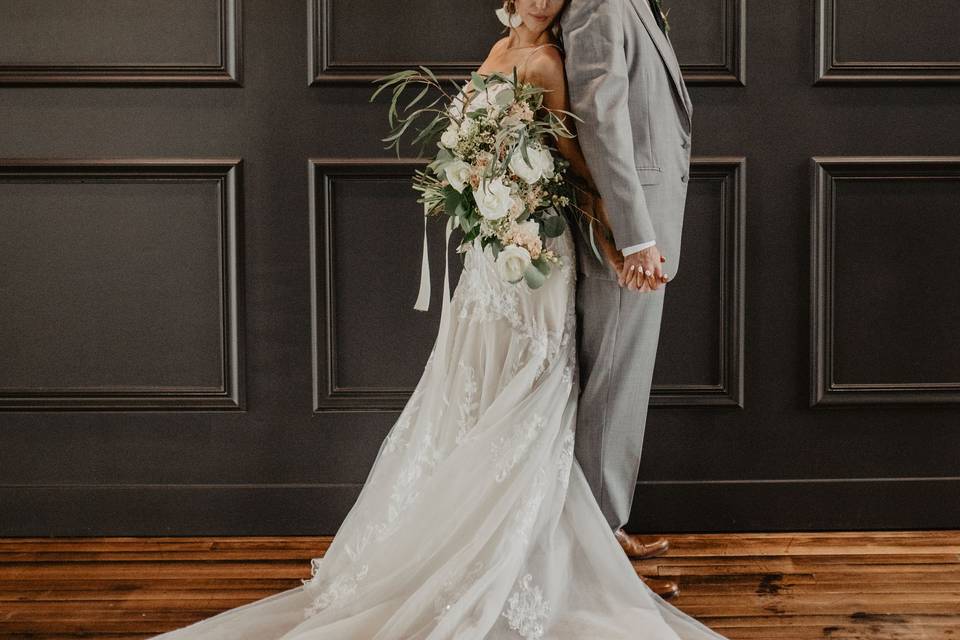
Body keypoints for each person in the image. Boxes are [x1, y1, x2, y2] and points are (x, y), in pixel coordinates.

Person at [147, 1, 724, 638]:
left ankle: (587, 536)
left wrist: (559, 219)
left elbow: (565, 152)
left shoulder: (541, 56)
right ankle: (583, 544)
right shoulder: (525, 51)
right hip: (506, 253)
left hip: (529, 244)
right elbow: (584, 133)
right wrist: (599, 229)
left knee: (542, 386)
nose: (540, 0)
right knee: (505, 384)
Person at [558, 0, 694, 596]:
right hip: (627, 231)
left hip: (646, 218)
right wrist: (634, 234)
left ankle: (604, 530)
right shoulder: (598, 1)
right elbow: (599, 112)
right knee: (612, 383)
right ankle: (593, 560)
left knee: (623, 382)